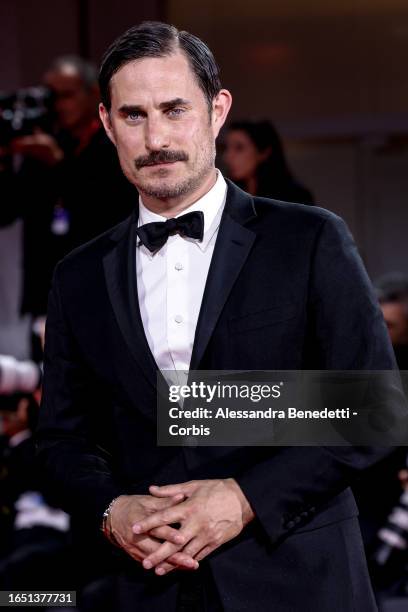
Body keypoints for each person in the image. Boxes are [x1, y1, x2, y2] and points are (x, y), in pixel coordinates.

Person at [35, 21, 397, 611]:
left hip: (297, 580)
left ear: (217, 109)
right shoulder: (77, 275)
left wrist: (246, 497)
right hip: (148, 585)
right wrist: (112, 509)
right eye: (134, 116)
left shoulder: (308, 238)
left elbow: (374, 407)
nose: (156, 138)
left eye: (175, 109)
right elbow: (61, 440)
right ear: (106, 124)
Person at [0, 55, 136, 318]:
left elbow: (105, 211)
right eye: (51, 97)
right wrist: (3, 160)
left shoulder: (115, 145)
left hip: (100, 289)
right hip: (45, 293)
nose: (58, 105)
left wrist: (58, 164)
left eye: (67, 95)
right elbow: (6, 212)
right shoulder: (42, 146)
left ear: (94, 94)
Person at [222, 119, 314, 202]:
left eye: (239, 148)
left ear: (263, 152)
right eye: (226, 148)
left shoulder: (294, 197)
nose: (227, 156)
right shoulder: (228, 197)